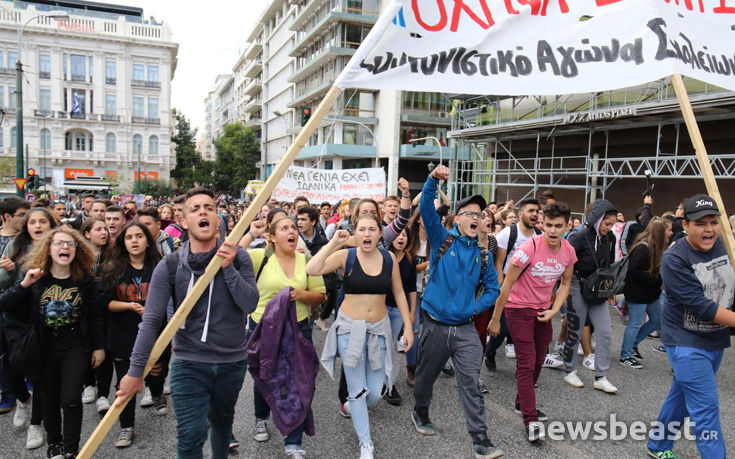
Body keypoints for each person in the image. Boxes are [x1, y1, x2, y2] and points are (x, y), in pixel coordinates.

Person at [117, 187, 259, 459]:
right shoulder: (169, 265)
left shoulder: (239, 257)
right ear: (183, 222)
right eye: (195, 209)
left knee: (222, 422)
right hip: (189, 361)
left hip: (232, 361)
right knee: (191, 434)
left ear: (217, 219)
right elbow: (151, 321)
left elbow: (250, 304)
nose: (203, 212)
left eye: (209, 207)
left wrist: (227, 268)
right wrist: (135, 371)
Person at [411, 165, 502, 459]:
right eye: (471, 214)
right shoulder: (442, 238)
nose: (476, 218)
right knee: (425, 378)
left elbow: (493, 289)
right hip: (435, 324)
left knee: (471, 383)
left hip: (464, 328)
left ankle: (480, 439)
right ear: (457, 219)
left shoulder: (484, 253)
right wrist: (432, 179)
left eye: (480, 214)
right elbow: (426, 206)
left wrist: (473, 309)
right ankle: (420, 412)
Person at [307, 215, 414, 459]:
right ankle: (366, 443)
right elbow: (311, 269)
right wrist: (335, 242)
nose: (367, 234)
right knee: (356, 388)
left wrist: (408, 327)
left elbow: (399, 292)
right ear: (356, 233)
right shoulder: (348, 256)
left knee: (376, 391)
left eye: (372, 229)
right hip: (349, 331)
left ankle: (354, 406)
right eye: (362, 230)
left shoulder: (388, 259)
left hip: (378, 330)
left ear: (380, 234)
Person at [0, 226, 104, 458]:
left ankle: (71, 449)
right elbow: (5, 304)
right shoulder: (35, 276)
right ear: (48, 248)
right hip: (42, 346)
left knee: (71, 398)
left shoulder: (84, 280)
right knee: (48, 399)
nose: (64, 247)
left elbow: (95, 315)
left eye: (69, 244)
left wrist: (98, 346)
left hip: (74, 344)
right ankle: (54, 444)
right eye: (58, 243)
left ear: (77, 250)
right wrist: (23, 284)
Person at [647, 194, 735, 458]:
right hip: (685, 342)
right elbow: (702, 306)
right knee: (706, 408)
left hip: (714, 339)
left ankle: (658, 445)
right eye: (700, 223)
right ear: (685, 225)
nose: (709, 229)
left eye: (713, 222)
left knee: (682, 397)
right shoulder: (675, 259)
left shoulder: (726, 245)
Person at [488, 203, 576, 442]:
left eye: (558, 226)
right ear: (542, 224)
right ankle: (530, 420)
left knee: (538, 361)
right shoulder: (528, 248)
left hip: (543, 311)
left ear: (567, 226)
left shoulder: (568, 251)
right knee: (526, 363)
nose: (553, 231)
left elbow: (565, 283)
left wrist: (554, 310)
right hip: (517, 310)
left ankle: (520, 402)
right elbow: (506, 284)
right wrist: (496, 318)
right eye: (548, 225)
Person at [246, 215, 326, 458]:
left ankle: (293, 441)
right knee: (265, 375)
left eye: (293, 227)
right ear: (272, 237)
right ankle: (262, 417)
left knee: (299, 382)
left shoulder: (306, 260)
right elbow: (226, 257)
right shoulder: (259, 256)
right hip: (262, 327)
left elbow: (320, 295)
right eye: (284, 228)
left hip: (298, 328)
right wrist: (250, 234)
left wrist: (301, 294)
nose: (292, 231)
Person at [100, 222, 164, 447]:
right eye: (129, 237)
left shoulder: (160, 266)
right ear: (123, 242)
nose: (134, 241)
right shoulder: (112, 268)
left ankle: (156, 392)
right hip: (122, 333)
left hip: (156, 333)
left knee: (156, 373)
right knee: (124, 381)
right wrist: (129, 306)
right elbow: (103, 302)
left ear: (148, 240)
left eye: (139, 236)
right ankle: (126, 427)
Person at [562, 199, 619, 393]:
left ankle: (601, 376)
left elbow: (608, 265)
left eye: (612, 224)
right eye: (607, 223)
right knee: (575, 330)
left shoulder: (609, 239)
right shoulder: (578, 237)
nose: (609, 228)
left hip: (598, 290)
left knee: (604, 332)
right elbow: (565, 263)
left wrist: (608, 289)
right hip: (577, 286)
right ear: (597, 219)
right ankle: (569, 370)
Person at [486, 198, 541, 370]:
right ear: (520, 214)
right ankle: (490, 350)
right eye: (530, 211)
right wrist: (500, 289)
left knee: (527, 333)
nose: (534, 214)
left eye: (537, 211)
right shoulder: (508, 233)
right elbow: (499, 264)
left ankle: (523, 369)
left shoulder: (540, 236)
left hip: (530, 293)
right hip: (508, 288)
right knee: (501, 330)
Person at [619, 218, 671, 369]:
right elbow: (633, 272)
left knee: (657, 320)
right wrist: (657, 281)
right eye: (668, 230)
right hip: (638, 294)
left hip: (650, 293)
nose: (671, 232)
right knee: (635, 324)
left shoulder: (654, 246)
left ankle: (633, 345)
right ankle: (625, 355)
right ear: (660, 233)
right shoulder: (643, 248)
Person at [0, 197, 29, 415]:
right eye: (21, 215)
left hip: (21, 303)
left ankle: (25, 387)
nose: (27, 219)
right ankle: (7, 392)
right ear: (7, 217)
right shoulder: (8, 243)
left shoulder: (25, 241)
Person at [383, 227, 417, 406]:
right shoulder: (382, 256)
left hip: (397, 311)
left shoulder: (410, 260)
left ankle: (389, 384)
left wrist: (411, 313)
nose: (401, 237)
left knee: (389, 347)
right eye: (397, 234)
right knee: (380, 345)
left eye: (404, 235)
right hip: (379, 309)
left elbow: (412, 288)